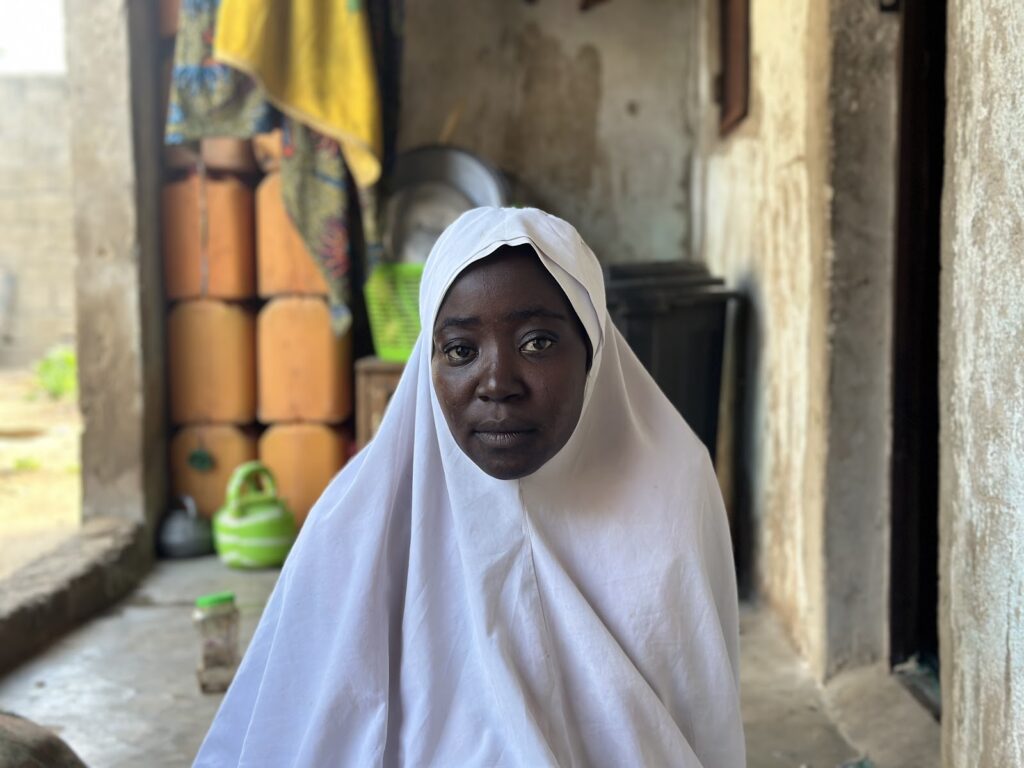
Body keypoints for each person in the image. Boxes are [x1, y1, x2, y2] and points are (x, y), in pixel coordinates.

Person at [194, 207, 745, 767]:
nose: (498, 383)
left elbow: (703, 719)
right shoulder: (356, 528)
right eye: (460, 350)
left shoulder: (671, 491)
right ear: (428, 364)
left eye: (537, 343)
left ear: (593, 349)